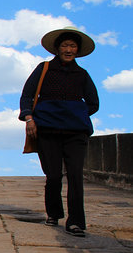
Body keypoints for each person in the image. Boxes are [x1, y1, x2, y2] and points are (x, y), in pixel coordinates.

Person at [19, 27, 99, 237]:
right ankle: (53, 213)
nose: (69, 49)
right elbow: (27, 95)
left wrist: (75, 113)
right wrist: (29, 118)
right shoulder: (44, 69)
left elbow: (93, 103)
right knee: (53, 175)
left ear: (77, 50)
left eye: (72, 46)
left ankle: (76, 222)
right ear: (57, 48)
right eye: (65, 45)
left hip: (75, 133)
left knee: (75, 176)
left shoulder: (82, 74)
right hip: (47, 130)